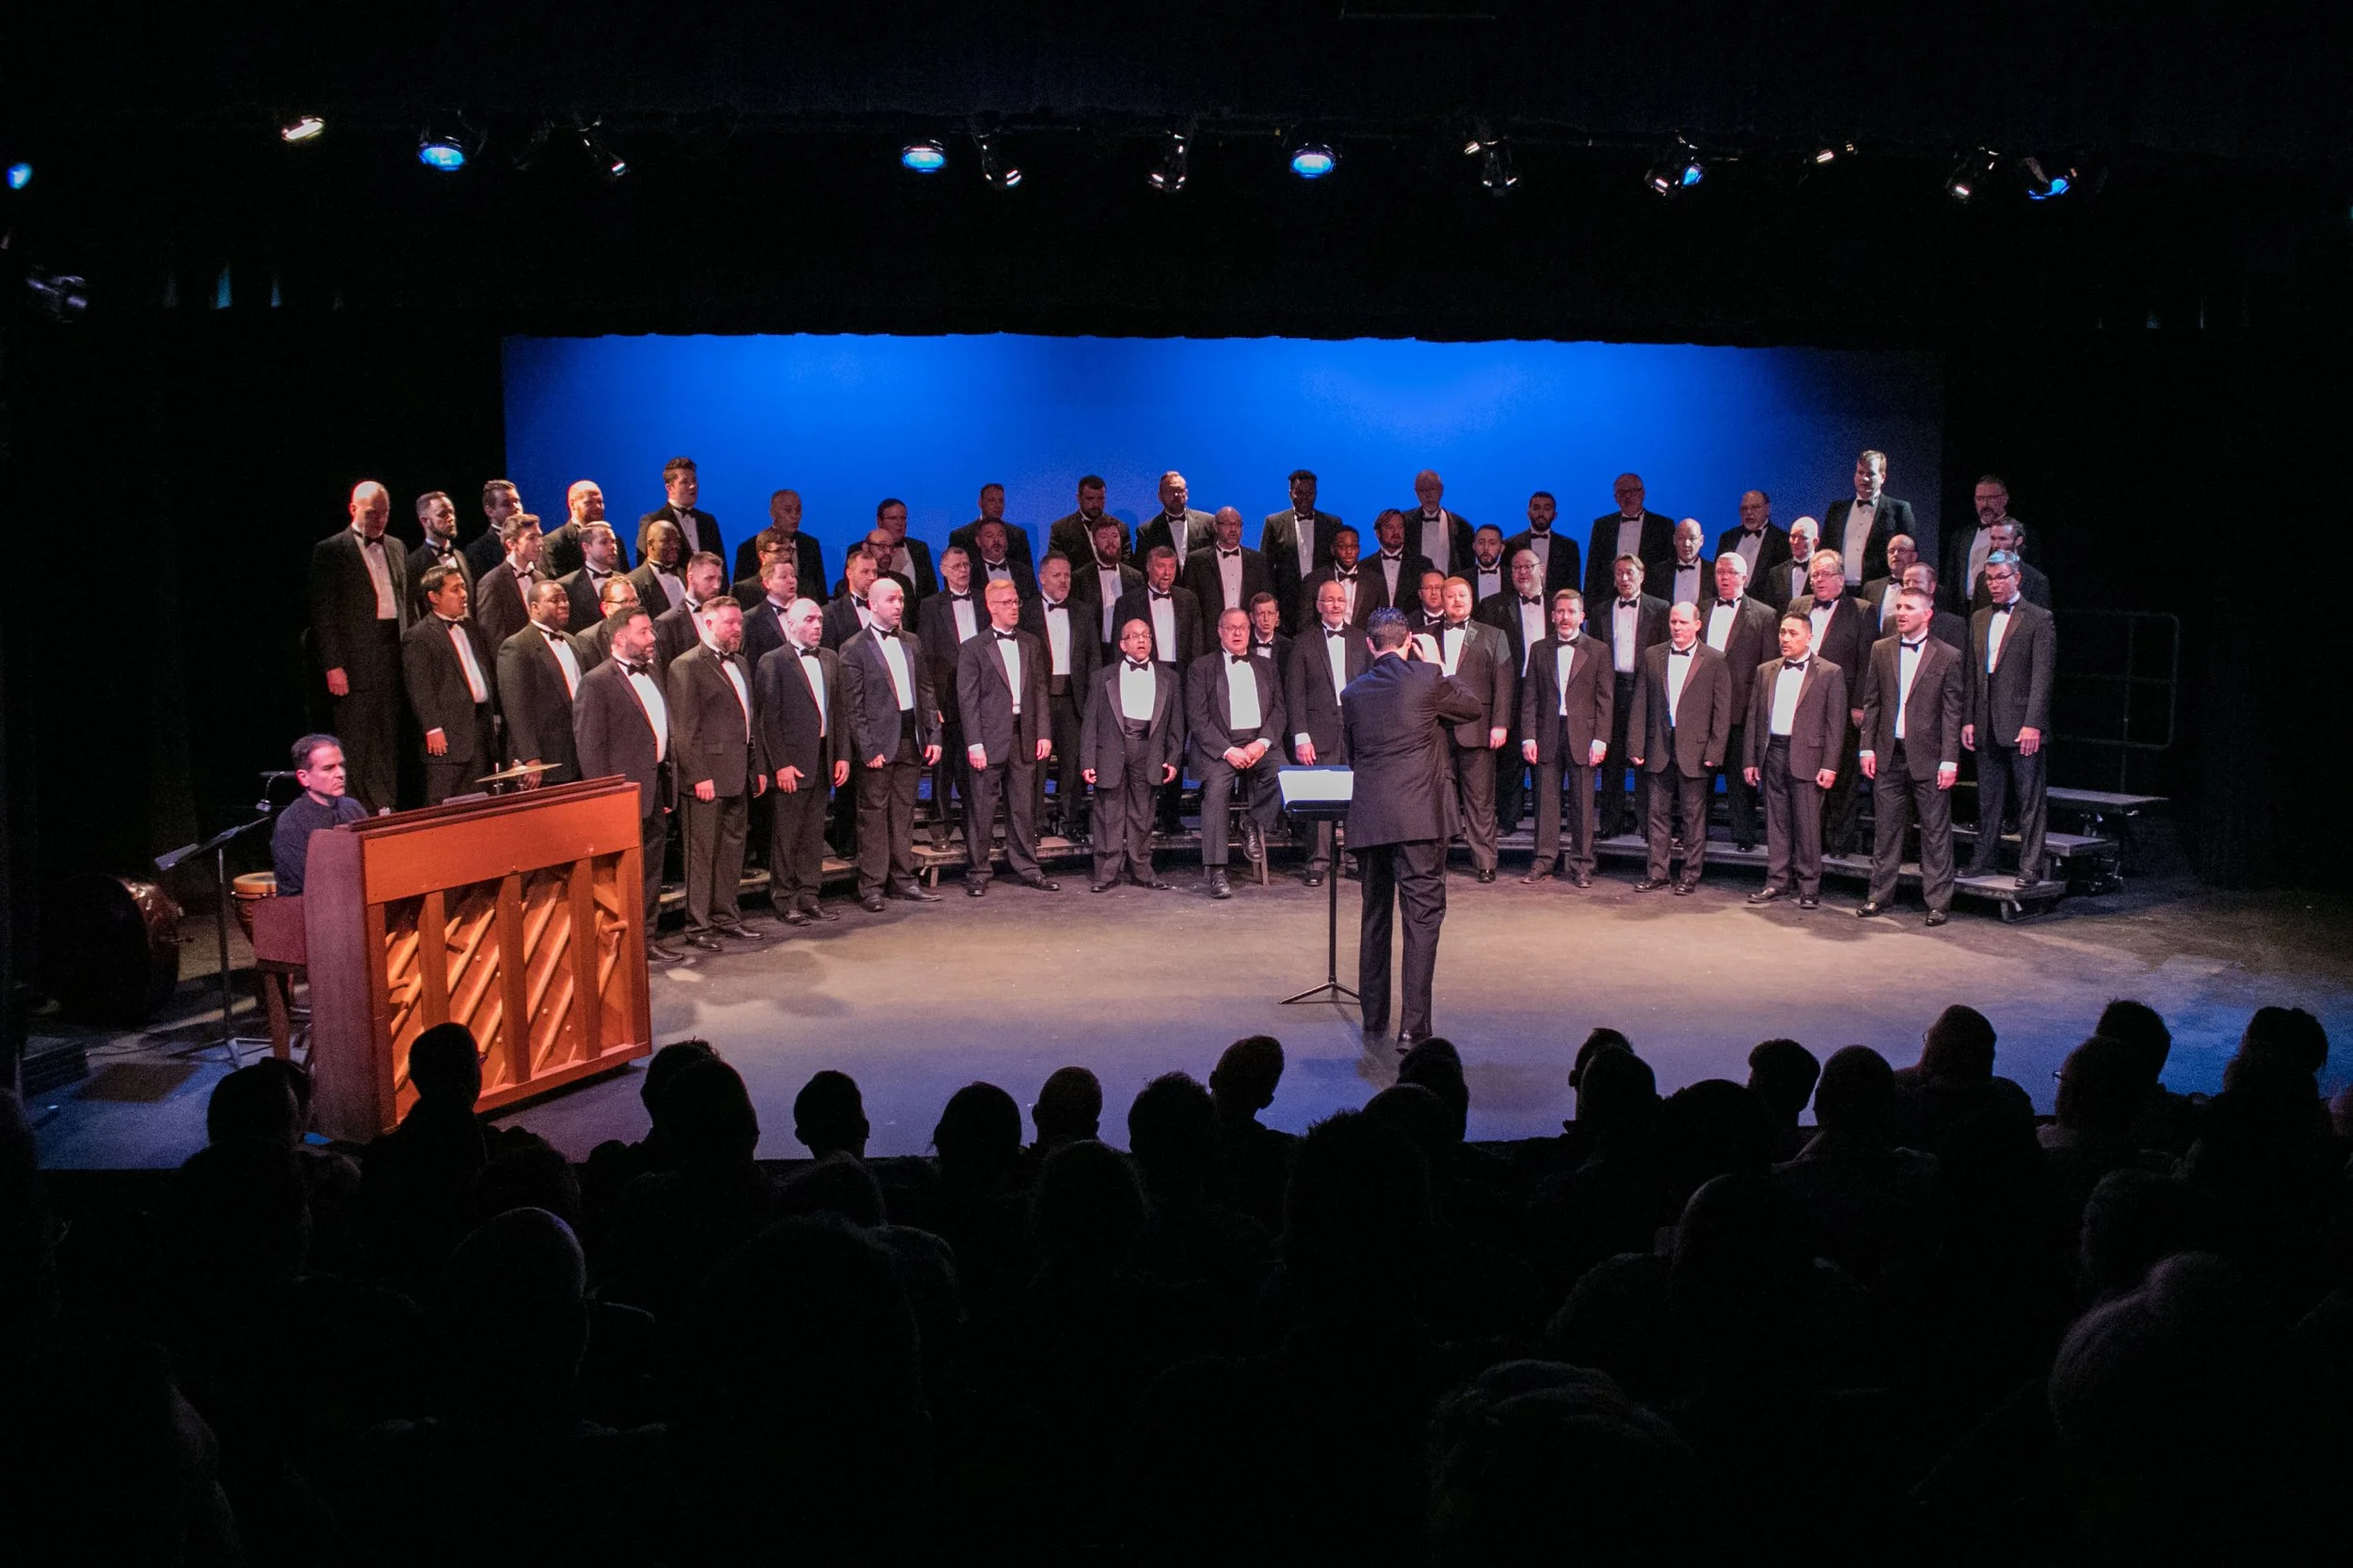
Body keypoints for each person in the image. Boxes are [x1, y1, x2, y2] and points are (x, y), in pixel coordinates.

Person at [1342, 607, 1482, 1046]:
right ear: (1408, 642)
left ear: (1370, 645)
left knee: (1375, 915)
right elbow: (1471, 708)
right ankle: (1412, 1028)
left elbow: (1352, 754)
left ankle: (1373, 1019)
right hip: (1420, 819)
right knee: (1421, 920)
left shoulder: (1353, 693)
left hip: (1371, 819)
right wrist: (1439, 662)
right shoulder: (1426, 677)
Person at [572, 607, 680, 958]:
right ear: (620, 637)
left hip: (654, 788)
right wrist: (607, 800)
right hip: (621, 795)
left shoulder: (653, 671)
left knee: (651, 869)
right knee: (621, 874)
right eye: (644, 632)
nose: (653, 638)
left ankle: (647, 938)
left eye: (651, 630)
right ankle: (623, 943)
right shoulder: (597, 682)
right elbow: (590, 748)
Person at [667, 595, 770, 949]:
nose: (737, 629)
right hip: (707, 778)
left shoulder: (740, 663)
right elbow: (685, 730)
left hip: (738, 773)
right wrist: (698, 775)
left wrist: (757, 767)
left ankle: (727, 916)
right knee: (702, 854)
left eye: (740, 622)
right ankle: (698, 925)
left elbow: (749, 721)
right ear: (708, 623)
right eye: (730, 623)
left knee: (731, 851)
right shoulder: (686, 666)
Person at [1858, 586, 1965, 924]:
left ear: (1927, 614)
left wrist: (1949, 759)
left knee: (1935, 832)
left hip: (1929, 757)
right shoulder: (1881, 649)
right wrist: (1866, 747)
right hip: (1889, 753)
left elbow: (1952, 713)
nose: (1901, 613)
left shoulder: (1947, 655)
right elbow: (1873, 702)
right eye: (1899, 606)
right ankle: (1878, 896)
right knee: (1887, 830)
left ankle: (1938, 902)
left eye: (1909, 608)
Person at [839, 577, 942, 911]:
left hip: (911, 739)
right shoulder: (854, 647)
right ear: (873, 604)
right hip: (878, 745)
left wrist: (934, 735)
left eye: (900, 600)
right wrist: (867, 749)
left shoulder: (911, 641)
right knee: (873, 816)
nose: (898, 606)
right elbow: (853, 706)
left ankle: (903, 879)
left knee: (904, 813)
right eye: (891, 600)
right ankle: (872, 885)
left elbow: (926, 690)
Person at [308, 480, 411, 812]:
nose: (379, 520)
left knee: (387, 738)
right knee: (357, 742)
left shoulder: (396, 546)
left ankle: (385, 808)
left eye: (385, 513)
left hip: (392, 652)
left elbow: (404, 601)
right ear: (353, 510)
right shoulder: (331, 550)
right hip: (354, 660)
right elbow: (323, 614)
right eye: (372, 513)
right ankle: (354, 811)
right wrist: (333, 666)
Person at [957, 579, 1057, 896]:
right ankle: (978, 871)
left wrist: (1044, 732)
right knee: (982, 807)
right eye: (1007, 603)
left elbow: (1040, 690)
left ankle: (1028, 867)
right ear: (991, 606)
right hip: (988, 738)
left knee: (1023, 806)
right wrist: (974, 743)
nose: (1014, 607)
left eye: (1016, 601)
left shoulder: (1030, 643)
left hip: (1024, 733)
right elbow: (968, 700)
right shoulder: (973, 648)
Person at [753, 598, 848, 926]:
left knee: (812, 833)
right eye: (809, 620)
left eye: (819, 619)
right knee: (787, 834)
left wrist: (842, 755)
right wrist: (780, 764)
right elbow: (768, 719)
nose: (817, 625)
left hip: (822, 757)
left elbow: (839, 711)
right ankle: (784, 898)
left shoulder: (830, 659)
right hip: (792, 763)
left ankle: (809, 895)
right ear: (791, 625)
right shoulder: (773, 661)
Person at [1963, 551, 2057, 887]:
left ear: (2016, 578)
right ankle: (1983, 859)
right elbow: (1973, 672)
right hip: (1986, 720)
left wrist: (2034, 723)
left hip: (2022, 723)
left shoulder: (2038, 618)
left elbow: (2043, 676)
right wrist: (1969, 719)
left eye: (2000, 577)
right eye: (1989, 579)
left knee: (2029, 798)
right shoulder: (1979, 618)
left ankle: (2030, 866)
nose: (1994, 584)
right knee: (1988, 798)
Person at [1741, 613, 1846, 909]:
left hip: (1808, 756)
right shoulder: (1766, 671)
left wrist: (1830, 764)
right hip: (1773, 751)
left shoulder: (1829, 672)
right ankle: (1777, 881)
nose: (1785, 639)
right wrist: (1750, 759)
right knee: (1776, 821)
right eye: (1782, 632)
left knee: (1807, 824)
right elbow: (1754, 718)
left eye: (1792, 633)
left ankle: (1809, 886)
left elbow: (1835, 724)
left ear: (1809, 637)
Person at [1626, 601, 1732, 894]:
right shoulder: (1653, 655)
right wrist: (1635, 744)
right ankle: (1657, 872)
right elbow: (1640, 703)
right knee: (1656, 813)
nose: (1677, 627)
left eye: (1683, 622)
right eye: (1673, 622)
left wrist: (1715, 751)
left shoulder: (1715, 659)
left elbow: (1721, 711)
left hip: (1695, 750)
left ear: (1697, 625)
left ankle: (1690, 874)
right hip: (1659, 745)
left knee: (1693, 816)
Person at [1187, 608, 1287, 899]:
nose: (1238, 632)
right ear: (1219, 632)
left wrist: (1262, 743)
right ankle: (1217, 870)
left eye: (1243, 627)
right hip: (1220, 747)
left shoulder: (1266, 666)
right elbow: (1198, 719)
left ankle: (1251, 823)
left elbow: (1280, 711)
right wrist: (1228, 750)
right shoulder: (1202, 667)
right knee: (1216, 792)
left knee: (1284, 773)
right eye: (1231, 627)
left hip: (1258, 742)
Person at [1421, 578, 1514, 883]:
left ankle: (1485, 861)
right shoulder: (1425, 636)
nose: (1457, 601)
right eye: (1451, 596)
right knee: (1437, 798)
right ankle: (1436, 860)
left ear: (1472, 600)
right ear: (1441, 599)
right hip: (1436, 730)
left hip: (1478, 728)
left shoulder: (1493, 635)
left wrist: (1500, 723)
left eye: (1462, 595)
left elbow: (1504, 683)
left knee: (1480, 799)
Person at [1081, 618, 1183, 892]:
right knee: (1108, 814)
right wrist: (1088, 760)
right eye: (1135, 636)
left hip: (1148, 749)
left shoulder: (1168, 678)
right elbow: (1090, 722)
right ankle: (1106, 872)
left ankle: (1142, 870)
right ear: (1122, 644)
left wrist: (1173, 758)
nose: (1141, 640)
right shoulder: (1103, 677)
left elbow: (1176, 723)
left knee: (1143, 814)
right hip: (1112, 748)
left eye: (1146, 635)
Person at [1519, 589, 1612, 887]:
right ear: (1552, 615)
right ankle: (1543, 861)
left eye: (1571, 611)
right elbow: (1530, 697)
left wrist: (1601, 739)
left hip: (1583, 735)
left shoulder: (1598, 650)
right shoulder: (1539, 649)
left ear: (1581, 616)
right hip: (1547, 732)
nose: (1565, 617)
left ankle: (1582, 864)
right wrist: (1528, 737)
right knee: (1545, 801)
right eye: (1560, 611)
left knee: (1583, 803)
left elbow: (1605, 700)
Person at [1284, 579, 1369, 886]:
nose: (1335, 605)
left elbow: (1372, 685)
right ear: (1319, 605)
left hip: (1356, 728)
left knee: (1357, 796)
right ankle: (1318, 862)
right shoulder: (1303, 641)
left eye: (1340, 600)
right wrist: (1301, 735)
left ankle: (1354, 859)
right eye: (1329, 600)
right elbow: (1294, 692)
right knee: (1320, 798)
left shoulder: (1362, 639)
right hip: (1318, 730)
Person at [1787, 550, 1871, 855]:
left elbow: (1866, 660)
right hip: (1802, 701)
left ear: (1841, 579)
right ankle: (1810, 840)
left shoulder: (1861, 610)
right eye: (1815, 574)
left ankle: (1839, 841)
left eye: (1825, 574)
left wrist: (1859, 703)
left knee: (1842, 772)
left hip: (1842, 704)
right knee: (1806, 771)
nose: (1818, 580)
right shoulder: (1798, 606)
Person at [401, 564, 500, 804]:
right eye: (455, 590)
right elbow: (420, 687)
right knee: (446, 802)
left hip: (479, 729)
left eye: (464, 588)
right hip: (447, 736)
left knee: (481, 802)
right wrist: (432, 728)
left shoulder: (472, 628)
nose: (464, 595)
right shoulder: (419, 636)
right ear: (434, 597)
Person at [1019, 553, 1101, 840]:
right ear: (1042, 578)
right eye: (1057, 575)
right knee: (1037, 766)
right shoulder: (1027, 611)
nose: (1064, 580)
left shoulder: (1083, 611)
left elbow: (1093, 658)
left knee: (1073, 765)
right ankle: (1035, 824)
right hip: (1038, 701)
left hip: (1073, 700)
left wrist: (1093, 700)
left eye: (1067, 575)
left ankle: (1070, 822)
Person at [1701, 551, 1778, 852]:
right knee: (1699, 775)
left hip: (1741, 707)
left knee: (1739, 773)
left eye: (1731, 573)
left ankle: (1743, 834)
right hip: (1704, 708)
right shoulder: (1702, 609)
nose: (1724, 577)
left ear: (1744, 578)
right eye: (1720, 572)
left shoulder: (1765, 615)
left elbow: (1768, 668)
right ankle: (1696, 832)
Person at [917, 545, 987, 850]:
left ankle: (975, 829)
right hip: (946, 697)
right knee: (943, 768)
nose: (964, 570)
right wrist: (932, 704)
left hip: (980, 697)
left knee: (975, 768)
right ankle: (941, 828)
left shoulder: (983, 601)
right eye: (957, 566)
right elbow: (926, 657)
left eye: (967, 564)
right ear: (943, 570)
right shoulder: (931, 606)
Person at [1598, 555, 1669, 839]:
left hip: (1646, 690)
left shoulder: (1660, 608)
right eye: (1619, 573)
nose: (1624, 578)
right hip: (1611, 690)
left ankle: (1647, 825)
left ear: (1642, 575)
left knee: (1645, 758)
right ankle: (1610, 823)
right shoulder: (1602, 610)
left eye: (1629, 573)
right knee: (1612, 760)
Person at [495, 580, 586, 786]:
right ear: (535, 607)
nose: (563, 604)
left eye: (565, 599)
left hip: (577, 753)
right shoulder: (517, 646)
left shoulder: (572, 641)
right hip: (545, 757)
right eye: (555, 600)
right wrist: (530, 757)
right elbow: (515, 708)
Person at [270, 733, 367, 894]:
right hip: (308, 905)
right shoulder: (291, 823)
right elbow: (308, 884)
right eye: (329, 768)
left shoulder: (353, 808)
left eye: (341, 765)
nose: (340, 774)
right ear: (304, 777)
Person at [1260, 468, 1341, 631]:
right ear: (1290, 493)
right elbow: (1265, 566)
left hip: (1323, 601)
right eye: (1299, 493)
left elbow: (1337, 565)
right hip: (1285, 603)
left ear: (1316, 493)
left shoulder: (1332, 524)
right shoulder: (1274, 522)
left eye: (1309, 493)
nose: (1304, 498)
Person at [1182, 506, 1274, 645]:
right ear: (1215, 526)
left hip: (1249, 640)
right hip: (1211, 641)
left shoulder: (1258, 561)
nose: (1233, 529)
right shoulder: (1196, 561)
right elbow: (1190, 605)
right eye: (1227, 524)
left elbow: (1266, 601)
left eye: (1237, 524)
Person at [1584, 472, 1674, 608]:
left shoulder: (1663, 526)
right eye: (1621, 493)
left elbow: (1669, 569)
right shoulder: (1602, 525)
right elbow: (1593, 568)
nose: (1627, 496)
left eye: (1632, 491)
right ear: (1615, 498)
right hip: (1608, 600)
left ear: (1642, 493)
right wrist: (1589, 606)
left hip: (1651, 600)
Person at [1823, 449, 1912, 587]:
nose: (1864, 479)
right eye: (1860, 472)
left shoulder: (1899, 510)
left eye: (1870, 474)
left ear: (1882, 477)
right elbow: (1824, 550)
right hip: (1839, 589)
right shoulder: (1837, 509)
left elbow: (1909, 553)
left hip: (1877, 589)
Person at [1113, 544, 1205, 672]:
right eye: (1161, 566)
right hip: (1144, 671)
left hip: (1182, 673)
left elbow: (1197, 646)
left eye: (1172, 566)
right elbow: (1118, 648)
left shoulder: (1189, 600)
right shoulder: (1127, 603)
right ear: (1148, 567)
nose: (1167, 573)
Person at [1943, 473, 2018, 616]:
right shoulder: (1962, 535)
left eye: (1991, 498)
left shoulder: (2018, 533)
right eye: (1980, 499)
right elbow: (1952, 579)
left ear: (2004, 499)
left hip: (1998, 608)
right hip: (1963, 610)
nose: (1985, 504)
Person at [1070, 514, 1143, 657]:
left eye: (1115, 536)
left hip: (1128, 650)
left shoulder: (1135, 577)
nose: (1111, 542)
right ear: (1094, 541)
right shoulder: (1080, 578)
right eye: (1104, 537)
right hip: (1095, 651)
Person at [638, 454, 723, 565]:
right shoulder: (653, 521)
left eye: (694, 480)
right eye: (685, 482)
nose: (693, 486)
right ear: (669, 488)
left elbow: (720, 564)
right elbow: (643, 566)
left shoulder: (708, 521)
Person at [657, 552, 730, 675]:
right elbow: (666, 672)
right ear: (691, 578)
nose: (717, 586)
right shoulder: (667, 623)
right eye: (709, 578)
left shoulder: (725, 616)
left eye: (719, 579)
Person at [1503, 489, 1581, 602]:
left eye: (1547, 509)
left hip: (1557, 606)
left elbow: (1573, 587)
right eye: (1536, 508)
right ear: (1528, 513)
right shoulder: (1511, 544)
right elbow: (1506, 582)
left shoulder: (1569, 547)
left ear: (1554, 515)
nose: (1541, 513)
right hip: (1519, 605)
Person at [406, 489, 472, 617]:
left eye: (451, 512)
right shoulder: (413, 563)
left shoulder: (460, 556)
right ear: (425, 521)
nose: (451, 518)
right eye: (443, 514)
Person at [1301, 523, 1377, 630]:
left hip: (1364, 640)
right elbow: (1305, 625)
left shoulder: (1375, 582)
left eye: (1353, 546)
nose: (1349, 552)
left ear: (1359, 549)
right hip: (1322, 639)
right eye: (1343, 547)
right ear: (1333, 549)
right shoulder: (1313, 580)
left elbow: (1380, 624)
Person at [948, 482, 1035, 574]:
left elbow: (1028, 573)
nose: (998, 505)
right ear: (980, 503)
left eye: (1001, 501)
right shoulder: (961, 536)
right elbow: (951, 572)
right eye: (992, 500)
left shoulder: (1017, 535)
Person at [1966, 520, 2052, 611]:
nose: (1996, 545)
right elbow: (1975, 616)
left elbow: (2041, 617)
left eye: (2002, 539)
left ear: (2018, 541)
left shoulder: (2036, 580)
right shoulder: (1982, 577)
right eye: (1993, 538)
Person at [555, 520, 625, 632]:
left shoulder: (626, 581)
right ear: (586, 547)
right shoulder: (567, 586)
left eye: (613, 542)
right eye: (604, 542)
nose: (612, 547)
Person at [1716, 488, 1790, 587]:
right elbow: (1717, 571)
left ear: (1767, 509)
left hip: (1763, 597)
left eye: (1755, 507)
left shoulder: (1782, 540)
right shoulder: (1728, 537)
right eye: (1744, 508)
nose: (1749, 512)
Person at [1367, 508, 1435, 614]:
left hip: (1412, 622)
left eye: (1400, 527)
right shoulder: (1365, 566)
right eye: (1390, 527)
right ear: (1378, 533)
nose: (1396, 532)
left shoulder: (1423, 564)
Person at [1047, 473, 1126, 566]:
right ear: (1079, 498)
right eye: (1090, 499)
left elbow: (1128, 569)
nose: (1095, 504)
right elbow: (1054, 566)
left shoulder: (1121, 528)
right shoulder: (1060, 530)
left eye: (1100, 499)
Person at [1407, 469, 1474, 575]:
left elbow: (1468, 567)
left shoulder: (1463, 527)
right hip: (1415, 584)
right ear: (1416, 493)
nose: (1428, 495)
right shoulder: (1405, 523)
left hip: (1450, 583)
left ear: (1441, 490)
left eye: (1432, 489)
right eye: (1422, 490)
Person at [1137, 470, 1215, 561]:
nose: (1176, 495)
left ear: (1186, 493)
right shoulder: (1146, 531)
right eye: (1170, 491)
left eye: (1180, 490)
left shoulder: (1208, 522)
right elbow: (1141, 565)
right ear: (1160, 496)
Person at [872, 496, 936, 603]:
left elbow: (931, 590)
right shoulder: (861, 549)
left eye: (903, 518)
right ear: (879, 521)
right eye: (893, 518)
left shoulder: (919, 548)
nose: (900, 523)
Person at [541, 478, 610, 578]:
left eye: (600, 502)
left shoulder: (616, 542)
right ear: (572, 504)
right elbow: (556, 584)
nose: (597, 507)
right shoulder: (554, 543)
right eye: (589, 502)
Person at [574, 575, 642, 671]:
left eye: (634, 600)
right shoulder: (589, 639)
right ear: (606, 608)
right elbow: (597, 677)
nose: (632, 607)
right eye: (624, 602)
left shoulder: (648, 631)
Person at [821, 545, 882, 650]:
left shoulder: (884, 608)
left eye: (875, 572)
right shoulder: (830, 613)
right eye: (865, 572)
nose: (872, 577)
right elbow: (829, 655)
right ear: (849, 574)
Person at [463, 476, 523, 579]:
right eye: (506, 504)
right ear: (489, 511)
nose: (516, 507)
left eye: (516, 501)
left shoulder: (534, 541)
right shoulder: (478, 551)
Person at [1859, 533, 1921, 632]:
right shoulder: (1871, 588)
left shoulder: (1923, 586)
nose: (1895, 554)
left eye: (1901, 550)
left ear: (1914, 556)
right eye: (1891, 551)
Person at [1757, 515, 1818, 613]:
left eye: (1802, 537)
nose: (1795, 542)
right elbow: (1769, 610)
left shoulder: (1824, 572)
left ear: (1815, 541)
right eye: (1793, 536)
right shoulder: (1776, 573)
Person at [630, 517, 688, 617]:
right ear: (650, 544)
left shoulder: (685, 574)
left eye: (677, 541)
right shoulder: (634, 582)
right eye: (666, 541)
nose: (674, 545)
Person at [968, 518, 1037, 600]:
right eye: (990, 536)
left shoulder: (1025, 572)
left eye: (1000, 535)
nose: (996, 540)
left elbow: (1034, 603)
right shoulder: (971, 574)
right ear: (978, 541)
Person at [1658, 518, 1711, 609]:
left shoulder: (1713, 572)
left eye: (1692, 538)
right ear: (1674, 540)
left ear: (1701, 541)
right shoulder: (1658, 571)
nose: (1686, 544)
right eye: (1681, 538)